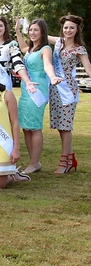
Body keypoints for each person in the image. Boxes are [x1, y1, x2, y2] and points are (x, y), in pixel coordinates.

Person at [15, 18, 62, 174]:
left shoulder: (45, 49)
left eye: (36, 30)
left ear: (42, 32)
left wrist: (53, 76)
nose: (32, 33)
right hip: (25, 89)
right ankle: (34, 162)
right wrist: (17, 30)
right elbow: (22, 47)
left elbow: (48, 65)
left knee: (34, 127)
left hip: (37, 90)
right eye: (31, 30)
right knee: (26, 127)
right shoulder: (30, 49)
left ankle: (34, 163)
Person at [47, 14, 90, 173]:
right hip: (55, 90)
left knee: (65, 127)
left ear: (77, 29)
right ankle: (71, 159)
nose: (68, 30)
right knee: (60, 126)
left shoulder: (79, 49)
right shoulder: (58, 43)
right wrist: (20, 28)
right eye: (66, 27)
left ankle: (64, 163)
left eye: (72, 27)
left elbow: (88, 69)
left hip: (68, 92)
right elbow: (41, 34)